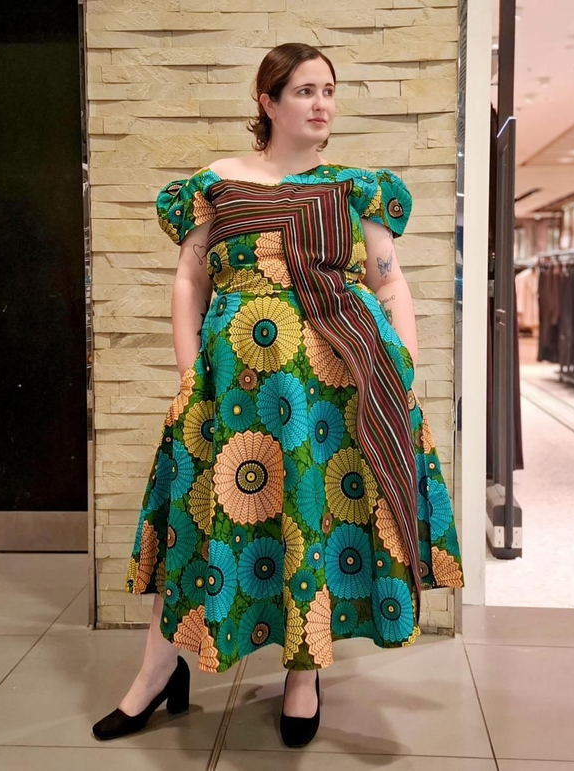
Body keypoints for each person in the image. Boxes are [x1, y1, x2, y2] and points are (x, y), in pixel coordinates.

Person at [93, 42, 464, 748]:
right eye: (304, 91)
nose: (323, 104)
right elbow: (190, 282)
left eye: (329, 90)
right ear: (267, 101)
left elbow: (389, 282)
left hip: (336, 394)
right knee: (200, 523)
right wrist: (188, 373)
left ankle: (304, 674)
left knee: (310, 521)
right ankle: (156, 672)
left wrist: (403, 369)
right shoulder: (216, 185)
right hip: (232, 391)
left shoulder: (355, 190)